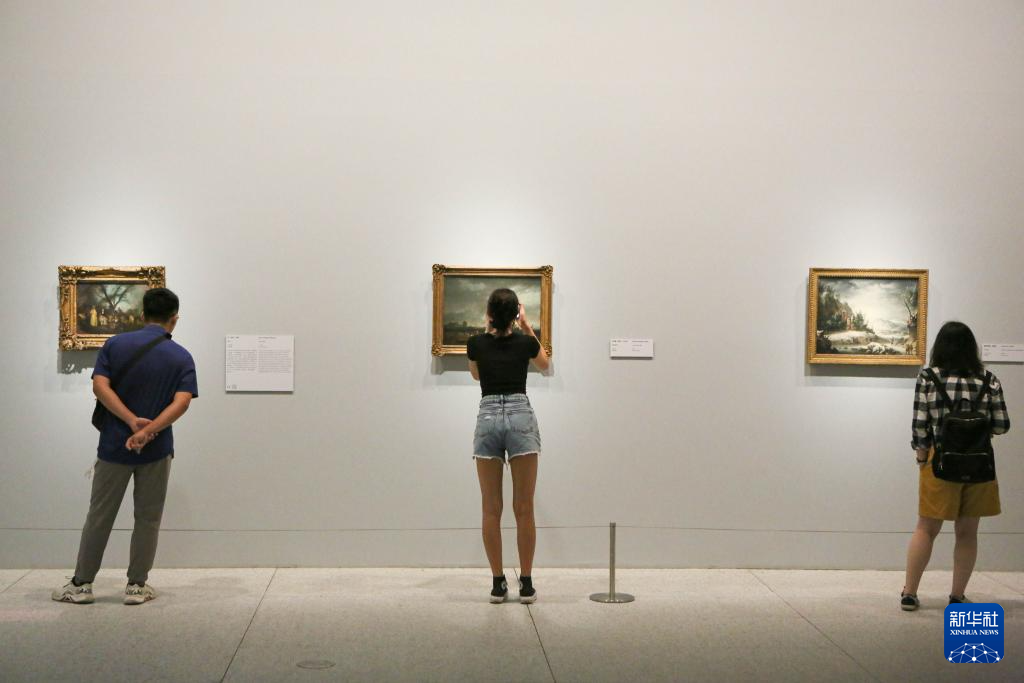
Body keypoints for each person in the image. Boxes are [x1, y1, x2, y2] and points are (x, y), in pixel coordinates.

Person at [52, 288, 198, 606]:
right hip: (157, 449)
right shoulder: (181, 357)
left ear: (142, 315)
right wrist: (149, 431)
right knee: (148, 518)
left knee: (99, 516)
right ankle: (136, 586)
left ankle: (81, 585)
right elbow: (182, 402)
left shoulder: (115, 345)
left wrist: (132, 422)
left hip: (114, 445)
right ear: (175, 319)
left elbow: (99, 386)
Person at [901, 321, 1010, 611]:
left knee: (926, 528)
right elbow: (1001, 426)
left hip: (940, 462)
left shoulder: (928, 378)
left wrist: (922, 459)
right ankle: (957, 596)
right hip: (979, 465)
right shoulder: (989, 380)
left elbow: (920, 427)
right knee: (967, 532)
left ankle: (910, 593)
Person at [467, 288, 550, 604]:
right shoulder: (526, 342)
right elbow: (545, 364)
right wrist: (526, 325)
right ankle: (526, 584)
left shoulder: (475, 344)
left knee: (491, 508)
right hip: (520, 415)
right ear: (516, 313)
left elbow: (477, 376)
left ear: (489, 313)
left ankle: (497, 584)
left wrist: (488, 329)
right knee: (524, 507)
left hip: (488, 416)